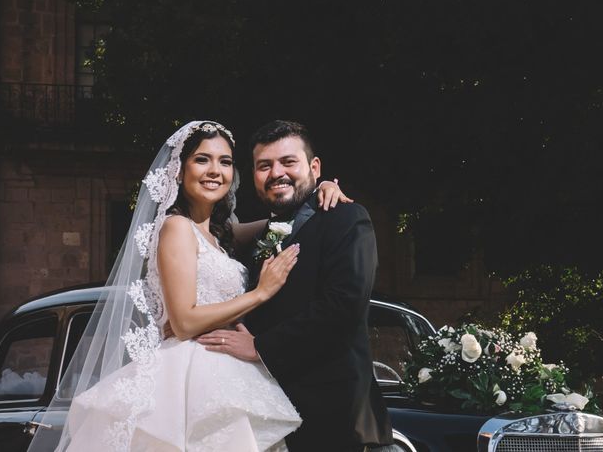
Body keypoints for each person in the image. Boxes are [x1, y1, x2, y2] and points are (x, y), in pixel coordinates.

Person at [30, 121, 350, 452]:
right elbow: (182, 322)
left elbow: (284, 222)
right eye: (202, 159)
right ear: (179, 171)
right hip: (187, 378)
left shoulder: (222, 234)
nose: (215, 171)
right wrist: (260, 293)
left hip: (227, 373)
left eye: (225, 162)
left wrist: (320, 188)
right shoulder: (176, 227)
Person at [198, 120, 394, 451]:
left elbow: (343, 307)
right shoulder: (255, 239)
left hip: (335, 422)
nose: (277, 173)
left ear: (314, 167)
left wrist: (260, 346)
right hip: (265, 418)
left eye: (288, 162)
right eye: (265, 166)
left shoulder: (347, 218)